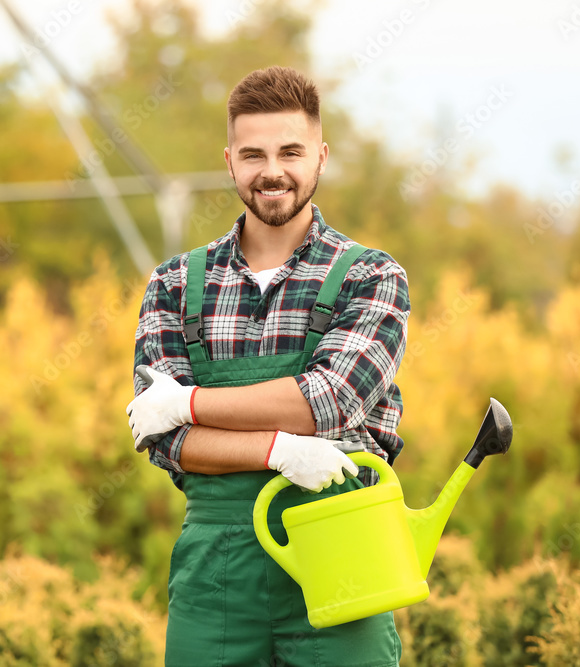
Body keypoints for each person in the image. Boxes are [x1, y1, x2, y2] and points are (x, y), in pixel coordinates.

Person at [126, 66, 409, 666]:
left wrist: (190, 403)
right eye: (253, 154)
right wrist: (277, 450)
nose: (271, 171)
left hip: (344, 555)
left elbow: (326, 401)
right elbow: (165, 440)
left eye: (290, 151)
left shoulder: (372, 277)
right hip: (216, 571)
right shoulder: (176, 284)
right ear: (229, 160)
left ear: (321, 157)